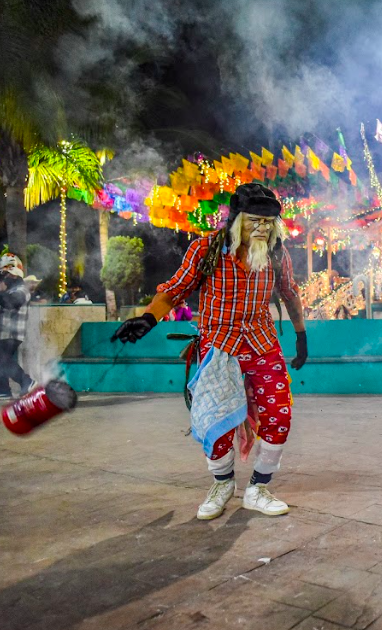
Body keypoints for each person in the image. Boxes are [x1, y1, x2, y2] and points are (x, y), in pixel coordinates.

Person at [112, 183, 308, 520]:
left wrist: (302, 336)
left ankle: (258, 488)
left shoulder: (276, 254)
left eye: (267, 222)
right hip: (219, 348)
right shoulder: (206, 250)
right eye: (254, 221)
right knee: (217, 423)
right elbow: (175, 291)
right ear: (236, 220)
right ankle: (222, 484)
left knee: (280, 415)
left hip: (262, 344)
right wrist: (147, 319)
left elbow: (289, 294)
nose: (261, 228)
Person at [0, 252, 34, 400]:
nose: (3, 277)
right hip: (0, 333)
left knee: (3, 360)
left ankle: (27, 380)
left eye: (6, 273)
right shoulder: (9, 289)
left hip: (12, 334)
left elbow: (10, 303)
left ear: (13, 273)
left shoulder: (21, 290)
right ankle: (3, 389)